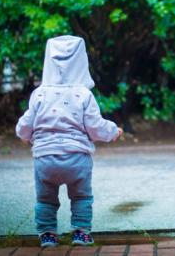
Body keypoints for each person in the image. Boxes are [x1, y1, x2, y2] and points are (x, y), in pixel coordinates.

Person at [16, 35, 123, 247]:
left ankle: (47, 235)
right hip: (77, 159)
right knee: (81, 197)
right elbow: (95, 126)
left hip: (45, 159)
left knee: (45, 200)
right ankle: (81, 233)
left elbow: (26, 124)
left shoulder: (39, 94)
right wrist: (113, 131)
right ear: (82, 61)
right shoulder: (83, 94)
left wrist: (23, 135)